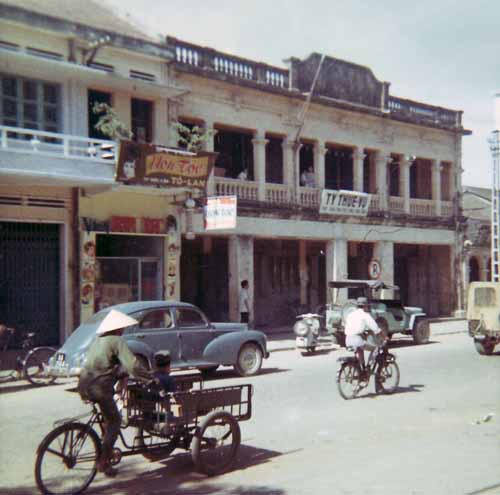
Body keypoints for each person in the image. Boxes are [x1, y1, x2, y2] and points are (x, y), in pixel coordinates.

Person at [78, 309, 152, 477]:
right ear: (118, 328)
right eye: (123, 327)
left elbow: (113, 366)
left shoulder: (98, 340)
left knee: (107, 418)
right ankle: (103, 461)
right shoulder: (117, 340)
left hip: (84, 385)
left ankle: (107, 456)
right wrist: (148, 378)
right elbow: (132, 365)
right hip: (100, 387)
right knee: (115, 420)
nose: (124, 330)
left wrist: (122, 374)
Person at [344, 297, 386, 379]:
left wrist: (364, 332)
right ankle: (368, 368)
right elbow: (376, 329)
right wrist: (385, 337)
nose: (368, 308)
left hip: (348, 340)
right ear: (365, 306)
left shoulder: (351, 314)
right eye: (367, 306)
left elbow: (352, 327)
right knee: (375, 348)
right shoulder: (365, 315)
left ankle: (362, 370)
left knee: (360, 350)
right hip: (357, 339)